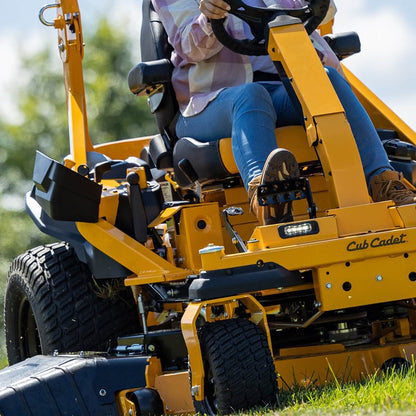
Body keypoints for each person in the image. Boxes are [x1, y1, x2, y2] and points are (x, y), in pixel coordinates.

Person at [152, 0, 416, 224]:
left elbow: (321, 10)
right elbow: (189, 47)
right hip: (210, 102)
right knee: (250, 95)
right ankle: (268, 200)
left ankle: (386, 183)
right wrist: (208, 18)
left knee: (326, 80)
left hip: (284, 87)